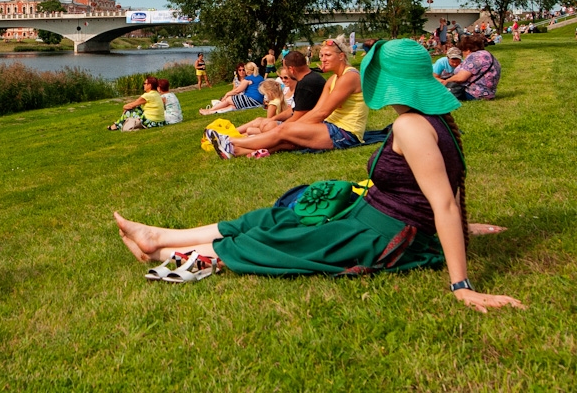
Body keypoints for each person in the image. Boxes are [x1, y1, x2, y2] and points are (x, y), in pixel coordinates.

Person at [114, 38, 525, 313]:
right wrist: (466, 227)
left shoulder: (412, 128)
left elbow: (443, 202)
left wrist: (462, 286)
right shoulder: (434, 118)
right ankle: (161, 236)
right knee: (273, 218)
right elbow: (436, 192)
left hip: (381, 234)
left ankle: (165, 254)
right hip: (369, 214)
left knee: (282, 241)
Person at [211, 36, 367, 158]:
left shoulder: (350, 77)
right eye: (321, 55)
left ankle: (230, 142)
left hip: (345, 133)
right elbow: (318, 109)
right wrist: (296, 128)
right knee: (285, 142)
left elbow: (322, 113)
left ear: (341, 56)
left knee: (284, 131)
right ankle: (237, 151)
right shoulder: (334, 79)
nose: (323, 59)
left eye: (327, 55)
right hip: (329, 126)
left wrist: (292, 127)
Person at [440, 35, 501, 101]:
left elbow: (461, 78)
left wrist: (446, 81)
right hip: (488, 93)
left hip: (474, 93)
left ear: (468, 49)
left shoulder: (474, 56)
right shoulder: (489, 55)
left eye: (463, 51)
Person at [199, 62, 265, 115]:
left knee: (228, 100)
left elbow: (237, 90)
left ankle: (209, 110)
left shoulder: (248, 79)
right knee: (232, 107)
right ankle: (212, 112)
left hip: (251, 99)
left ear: (247, 70)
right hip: (259, 101)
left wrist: (227, 94)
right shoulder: (260, 78)